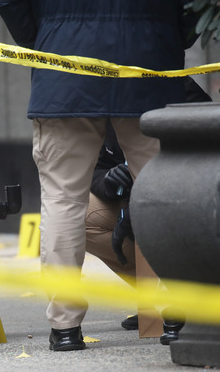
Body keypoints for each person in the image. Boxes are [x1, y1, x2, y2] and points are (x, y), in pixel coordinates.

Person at [0, 0, 198, 350]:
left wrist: (46, 40)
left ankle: (65, 328)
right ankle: (176, 316)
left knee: (63, 200)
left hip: (64, 68)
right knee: (165, 193)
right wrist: (171, 32)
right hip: (148, 60)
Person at [86, 78, 212, 344]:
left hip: (185, 200)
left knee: (159, 217)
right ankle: (155, 301)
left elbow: (203, 164)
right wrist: (108, 180)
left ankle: (189, 299)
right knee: (79, 213)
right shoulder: (106, 95)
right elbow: (92, 168)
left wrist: (138, 209)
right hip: (137, 200)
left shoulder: (180, 91)